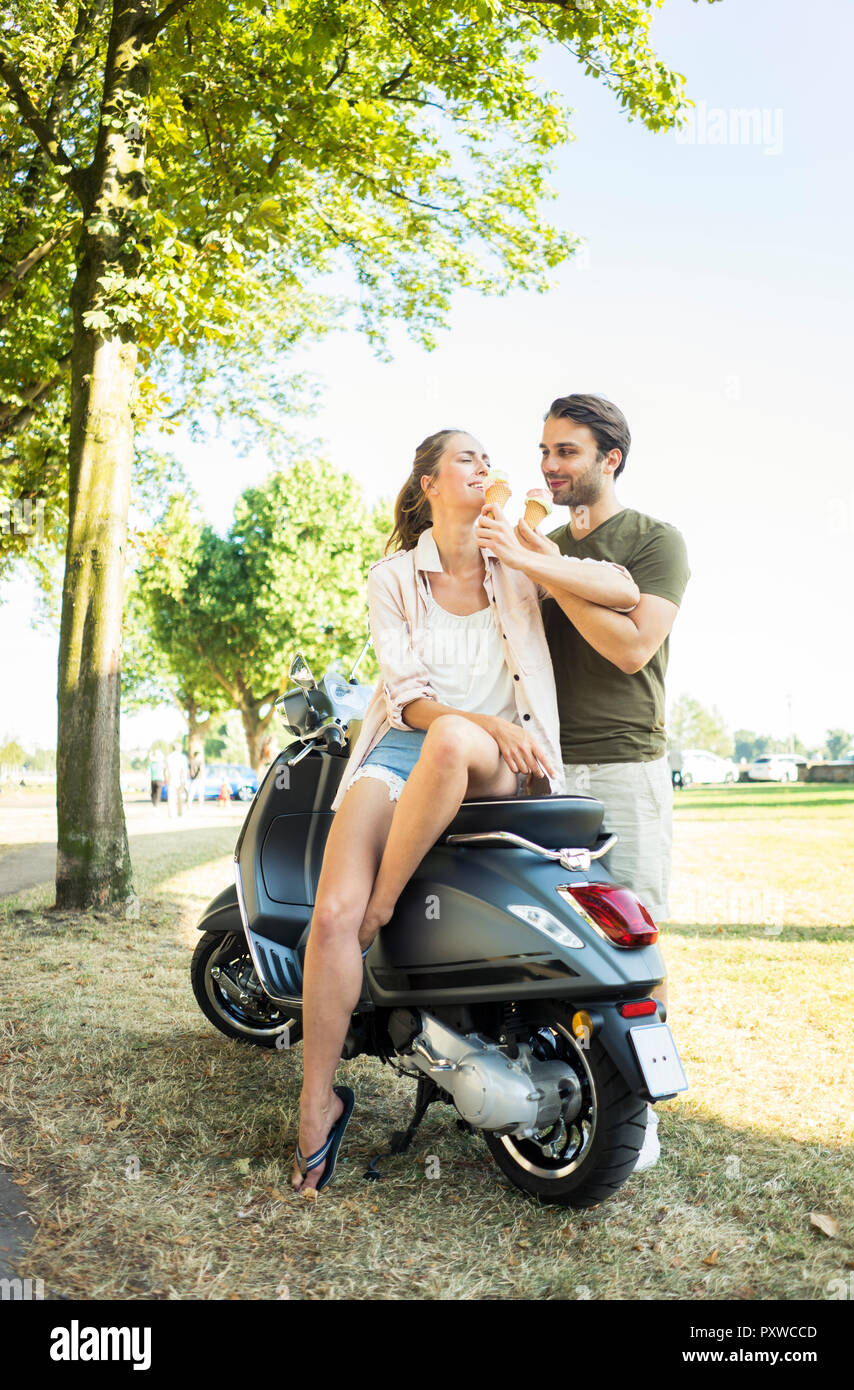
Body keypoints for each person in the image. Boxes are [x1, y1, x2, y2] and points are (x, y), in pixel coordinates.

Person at [290, 428, 640, 1194]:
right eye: (465, 458)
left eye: (488, 456)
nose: (485, 463)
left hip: (497, 762)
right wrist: (485, 723)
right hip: (406, 747)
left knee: (444, 756)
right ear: (428, 485)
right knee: (327, 917)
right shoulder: (392, 577)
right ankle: (318, 1104)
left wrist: (521, 550)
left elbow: (621, 588)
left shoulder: (515, 552)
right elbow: (409, 700)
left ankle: (385, 903)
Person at [480, 393, 690, 1171]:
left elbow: (631, 649)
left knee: (632, 945)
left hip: (625, 761)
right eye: (542, 451)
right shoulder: (537, 541)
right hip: (542, 764)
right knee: (545, 938)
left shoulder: (653, 541)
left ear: (611, 458)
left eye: (566, 452)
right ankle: (547, 1086)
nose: (547, 466)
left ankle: (640, 1117)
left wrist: (540, 564)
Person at [165, 743, 189, 819]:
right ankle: (180, 812)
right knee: (180, 797)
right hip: (180, 779)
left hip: (171, 779)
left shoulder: (169, 757)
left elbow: (166, 770)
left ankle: (171, 814)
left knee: (171, 798)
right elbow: (184, 770)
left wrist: (167, 779)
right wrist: (184, 780)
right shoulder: (182, 757)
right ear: (179, 749)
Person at [189, 742, 206, 807]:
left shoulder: (191, 762)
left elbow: (189, 770)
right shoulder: (200, 761)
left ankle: (189, 804)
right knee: (200, 793)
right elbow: (202, 770)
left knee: (191, 792)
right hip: (199, 778)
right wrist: (203, 778)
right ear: (198, 755)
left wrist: (191, 775)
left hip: (193, 779)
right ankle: (200, 805)